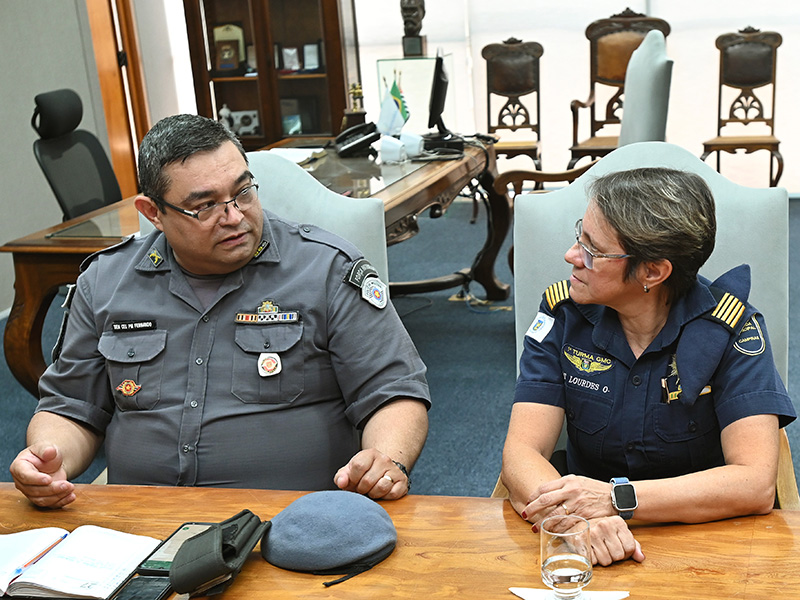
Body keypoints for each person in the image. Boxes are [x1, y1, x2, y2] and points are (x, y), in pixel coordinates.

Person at [10, 114, 430, 508]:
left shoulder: (327, 269)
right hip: (141, 518)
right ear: (153, 212)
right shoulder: (104, 281)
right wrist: (50, 457)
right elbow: (70, 407)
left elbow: (394, 392)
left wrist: (385, 460)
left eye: (242, 192)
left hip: (292, 522)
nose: (234, 216)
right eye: (205, 205)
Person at [501, 167, 795, 566]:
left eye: (593, 250)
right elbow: (521, 451)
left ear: (652, 272)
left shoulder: (732, 330)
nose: (572, 256)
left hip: (707, 545)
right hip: (591, 544)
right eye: (578, 237)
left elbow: (754, 483)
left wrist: (614, 500)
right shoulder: (564, 317)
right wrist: (573, 522)